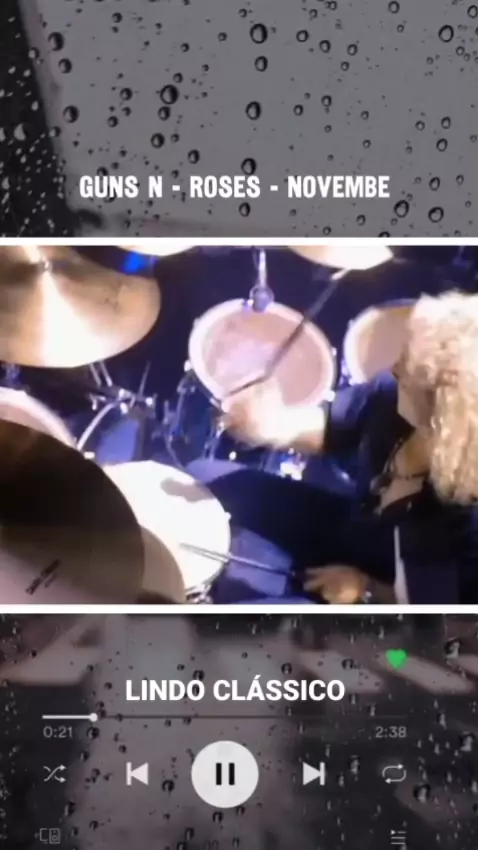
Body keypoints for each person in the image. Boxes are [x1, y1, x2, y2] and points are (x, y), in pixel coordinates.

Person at [187, 291, 478, 604]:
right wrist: (273, 426)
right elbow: (334, 427)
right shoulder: (394, 395)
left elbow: (447, 617)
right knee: (202, 478)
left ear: (441, 421)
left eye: (407, 373)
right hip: (348, 529)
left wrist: (366, 589)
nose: (395, 369)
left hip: (387, 604)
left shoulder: (467, 517)